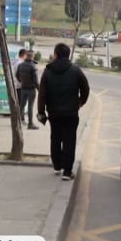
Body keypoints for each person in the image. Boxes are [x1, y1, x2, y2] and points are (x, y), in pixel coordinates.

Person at [37, 43, 90, 180]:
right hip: (71, 113)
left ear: (56, 54)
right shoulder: (76, 70)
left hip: (54, 113)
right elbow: (86, 88)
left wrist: (41, 111)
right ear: (67, 55)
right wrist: (80, 102)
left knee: (55, 138)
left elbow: (42, 94)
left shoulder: (47, 72)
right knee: (69, 141)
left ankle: (56, 166)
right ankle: (67, 171)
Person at [16, 50, 40, 130]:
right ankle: (30, 124)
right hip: (31, 89)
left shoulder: (21, 65)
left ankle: (18, 123)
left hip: (23, 88)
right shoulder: (33, 66)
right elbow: (36, 81)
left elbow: (17, 75)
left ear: (26, 56)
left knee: (21, 106)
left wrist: (21, 81)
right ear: (32, 57)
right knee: (30, 106)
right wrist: (40, 90)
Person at [12, 48, 27, 124]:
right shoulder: (20, 63)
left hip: (15, 84)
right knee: (22, 103)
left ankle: (19, 118)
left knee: (19, 103)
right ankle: (21, 119)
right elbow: (19, 74)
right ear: (24, 55)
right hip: (20, 85)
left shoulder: (15, 61)